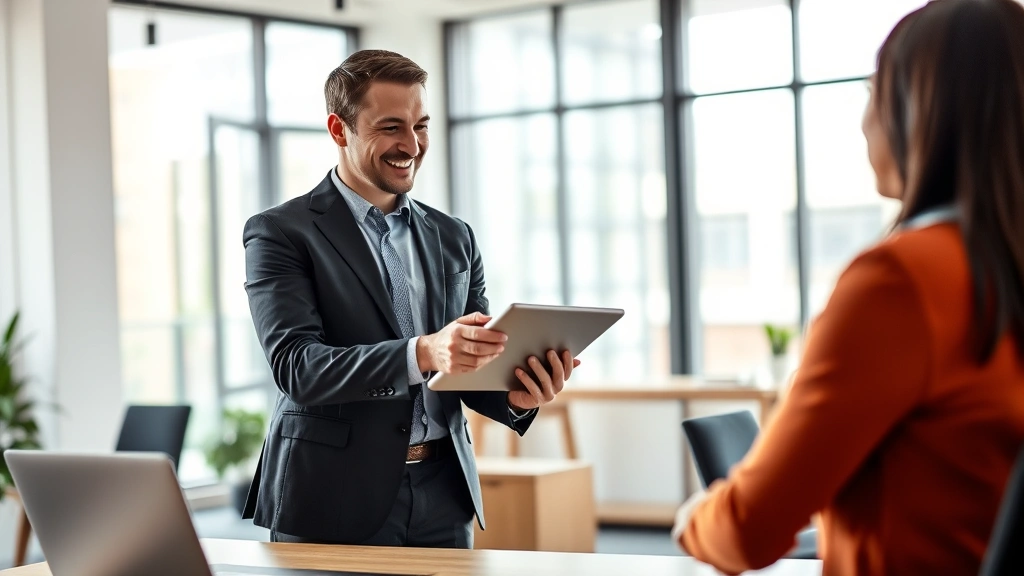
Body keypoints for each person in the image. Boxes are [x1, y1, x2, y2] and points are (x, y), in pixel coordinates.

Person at [673, 1, 1024, 574]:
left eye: (871, 93)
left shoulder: (902, 280)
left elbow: (746, 533)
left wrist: (696, 518)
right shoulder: (993, 267)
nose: (863, 122)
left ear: (920, 108)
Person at [240, 49, 578, 548]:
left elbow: (463, 362)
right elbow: (298, 368)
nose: (412, 145)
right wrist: (423, 351)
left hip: (443, 492)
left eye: (421, 125)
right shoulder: (281, 233)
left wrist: (514, 396)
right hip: (332, 493)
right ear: (339, 129)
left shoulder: (453, 235)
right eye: (391, 127)